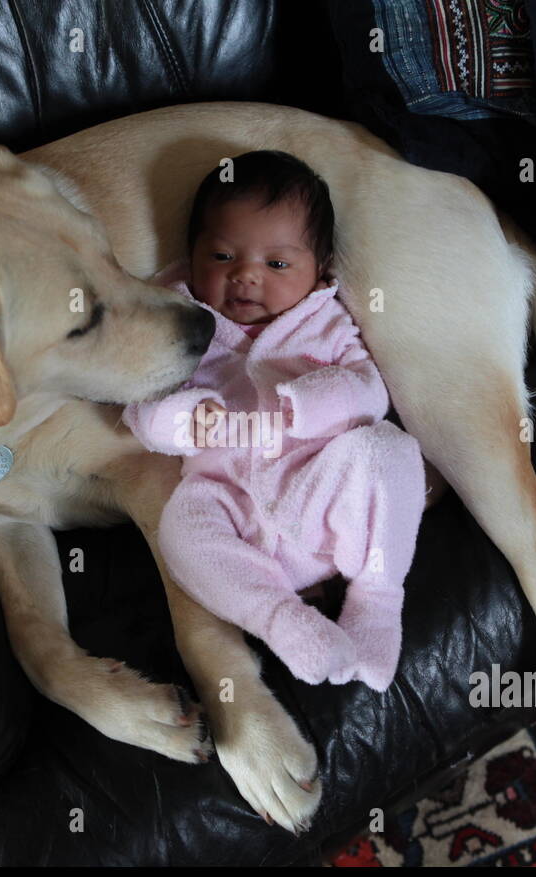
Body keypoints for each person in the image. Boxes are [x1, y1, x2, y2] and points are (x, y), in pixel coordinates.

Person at [122, 151, 426, 691]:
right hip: (231, 505)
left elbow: (370, 391)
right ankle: (286, 623)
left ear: (318, 270)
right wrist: (183, 420)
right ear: (191, 256)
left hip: (321, 499)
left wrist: (308, 403)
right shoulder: (181, 319)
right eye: (220, 255)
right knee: (180, 529)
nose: (245, 276)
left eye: (277, 264)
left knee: (387, 450)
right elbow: (137, 409)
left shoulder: (324, 322)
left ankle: (376, 602)